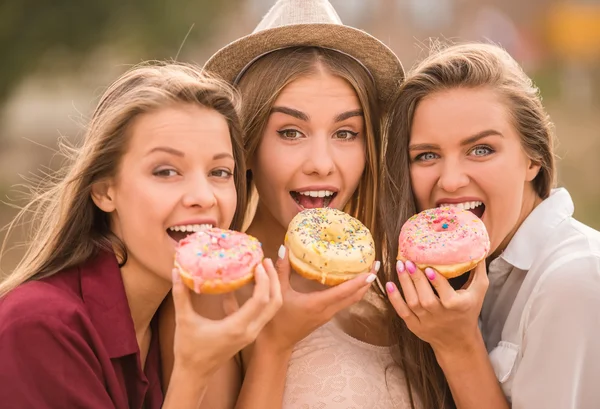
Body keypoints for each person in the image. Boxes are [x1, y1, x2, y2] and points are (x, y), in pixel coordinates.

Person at [0, 62, 282, 408]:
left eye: (220, 172)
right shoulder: (39, 328)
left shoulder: (176, 321)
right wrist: (192, 374)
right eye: (166, 171)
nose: (204, 196)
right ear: (105, 191)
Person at [382, 42, 600, 409]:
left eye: (481, 149)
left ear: (533, 159)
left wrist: (458, 345)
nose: (449, 180)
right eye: (427, 155)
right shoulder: (466, 276)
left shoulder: (575, 279)